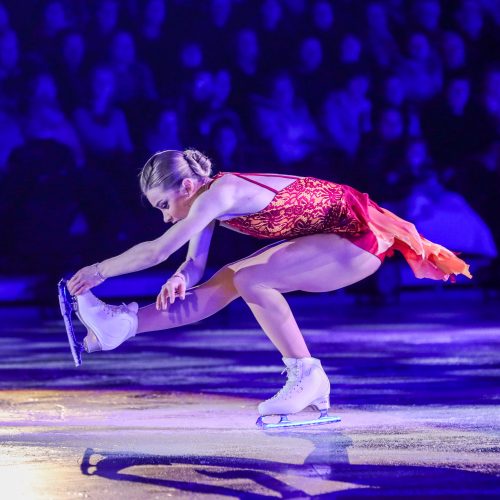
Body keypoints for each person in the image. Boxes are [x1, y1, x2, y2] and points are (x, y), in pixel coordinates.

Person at [64, 149, 471, 427]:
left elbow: (157, 251)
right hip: (340, 236)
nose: (167, 217)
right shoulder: (210, 200)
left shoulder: (219, 193)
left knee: (250, 278)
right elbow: (192, 264)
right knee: (226, 281)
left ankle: (307, 374)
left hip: (360, 238)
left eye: (164, 206)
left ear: (186, 188)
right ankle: (123, 325)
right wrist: (179, 278)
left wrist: (99, 271)